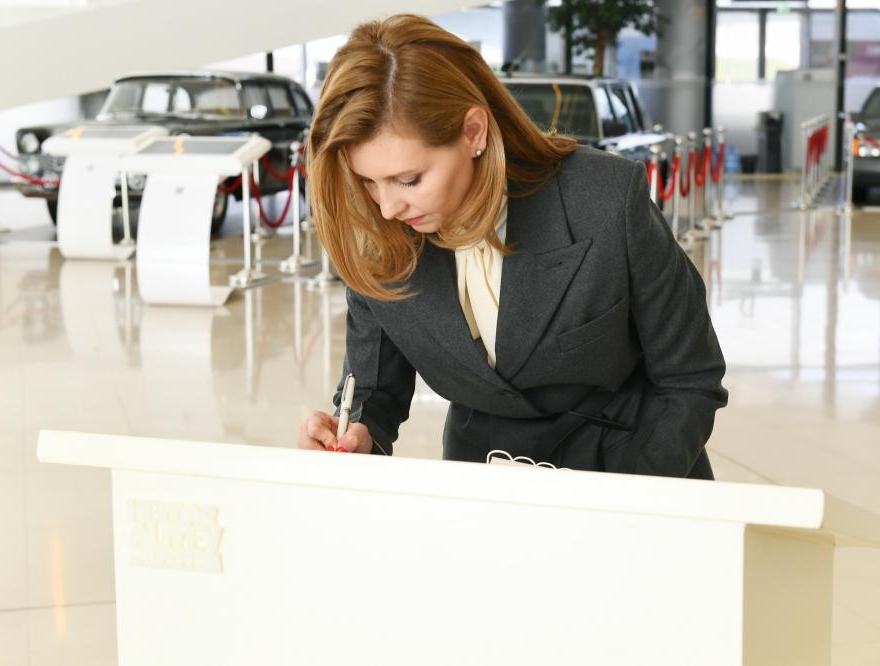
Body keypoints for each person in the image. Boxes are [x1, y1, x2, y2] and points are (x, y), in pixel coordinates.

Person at [297, 14, 727, 479]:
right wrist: (357, 432)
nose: (386, 208)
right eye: (368, 181)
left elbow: (690, 378)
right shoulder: (380, 235)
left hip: (631, 474)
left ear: (474, 132)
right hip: (483, 482)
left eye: (408, 179)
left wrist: (635, 499)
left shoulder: (605, 199)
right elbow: (373, 393)